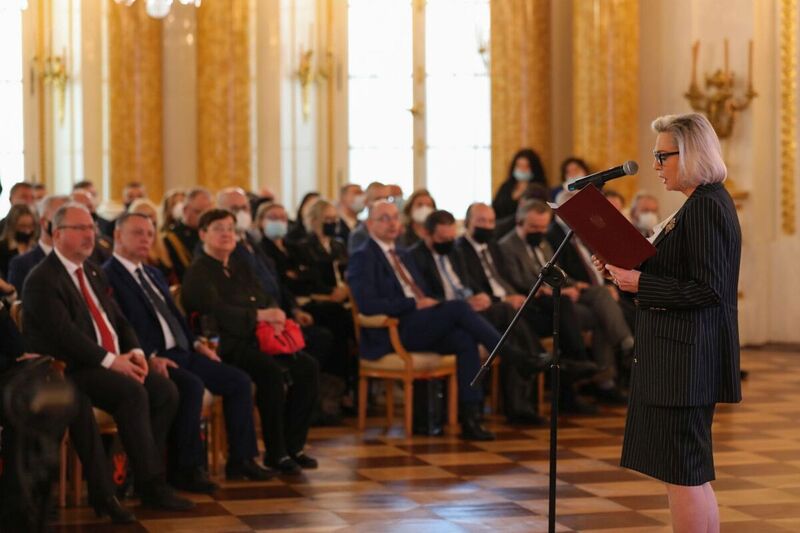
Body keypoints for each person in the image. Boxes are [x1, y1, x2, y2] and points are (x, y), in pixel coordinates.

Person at [596, 113, 741, 533]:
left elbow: (709, 291)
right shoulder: (698, 204)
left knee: (684, 474)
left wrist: (640, 281)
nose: (656, 166)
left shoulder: (707, 208)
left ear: (692, 154)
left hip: (687, 362)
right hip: (678, 357)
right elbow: (680, 273)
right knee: (684, 473)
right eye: (655, 156)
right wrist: (625, 267)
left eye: (663, 156)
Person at [21, 202, 194, 511]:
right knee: (132, 392)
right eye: (80, 229)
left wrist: (136, 353)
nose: (90, 235)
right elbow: (65, 337)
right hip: (72, 369)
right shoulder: (42, 279)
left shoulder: (92, 270)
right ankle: (149, 486)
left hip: (108, 361)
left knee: (165, 391)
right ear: (57, 233)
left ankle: (137, 477)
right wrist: (114, 362)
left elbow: (119, 319)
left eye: (91, 228)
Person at [104, 213, 272, 488]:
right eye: (138, 233)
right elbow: (119, 326)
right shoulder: (109, 275)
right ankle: (187, 468)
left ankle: (242, 460)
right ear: (118, 236)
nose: (146, 239)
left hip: (182, 351)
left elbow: (175, 317)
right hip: (152, 356)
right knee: (191, 386)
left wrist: (196, 344)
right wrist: (149, 356)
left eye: (149, 233)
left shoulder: (153, 273)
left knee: (239, 381)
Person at [346, 200, 504, 440]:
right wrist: (413, 304)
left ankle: (470, 418)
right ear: (369, 224)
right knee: (459, 308)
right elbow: (368, 304)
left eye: (394, 218)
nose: (391, 224)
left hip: (420, 322)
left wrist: (429, 302)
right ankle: (508, 351)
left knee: (464, 339)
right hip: (395, 329)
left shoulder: (402, 253)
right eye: (384, 218)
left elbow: (424, 289)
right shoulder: (363, 257)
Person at [181, 209, 320, 475]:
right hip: (227, 345)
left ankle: (294, 446)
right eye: (218, 228)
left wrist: (275, 314)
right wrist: (258, 315)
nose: (226, 234)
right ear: (203, 235)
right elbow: (214, 311)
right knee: (269, 372)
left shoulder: (239, 264)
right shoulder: (198, 271)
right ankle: (275, 452)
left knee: (307, 367)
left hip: (259, 338)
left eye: (230, 228)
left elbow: (264, 296)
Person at [500, 199, 632, 404]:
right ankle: (611, 360)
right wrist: (561, 289)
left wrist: (575, 285)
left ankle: (619, 355)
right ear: (519, 222)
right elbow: (521, 281)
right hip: (540, 303)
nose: (539, 231)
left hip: (561, 294)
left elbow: (557, 270)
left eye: (543, 227)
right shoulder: (508, 246)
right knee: (600, 316)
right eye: (534, 227)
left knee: (602, 294)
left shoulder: (542, 242)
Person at [7, 195, 69, 293]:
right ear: (44, 222)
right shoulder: (22, 263)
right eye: (60, 218)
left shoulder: (81, 260)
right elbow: (16, 303)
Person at [163, 187, 213, 281]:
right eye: (198, 212)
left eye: (208, 212)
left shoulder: (213, 234)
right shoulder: (171, 238)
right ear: (185, 210)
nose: (204, 217)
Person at [492, 148, 548, 221]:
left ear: (534, 169)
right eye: (519, 165)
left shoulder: (540, 189)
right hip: (502, 226)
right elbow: (496, 208)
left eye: (526, 166)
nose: (522, 169)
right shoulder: (506, 186)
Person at [347, 181, 391, 253]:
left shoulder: (395, 231)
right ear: (366, 202)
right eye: (378, 199)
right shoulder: (359, 235)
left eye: (387, 198)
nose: (383, 203)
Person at [0, 204, 37, 279]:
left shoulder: (36, 248)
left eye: (30, 226)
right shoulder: (2, 248)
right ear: (12, 225)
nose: (27, 231)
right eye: (22, 226)